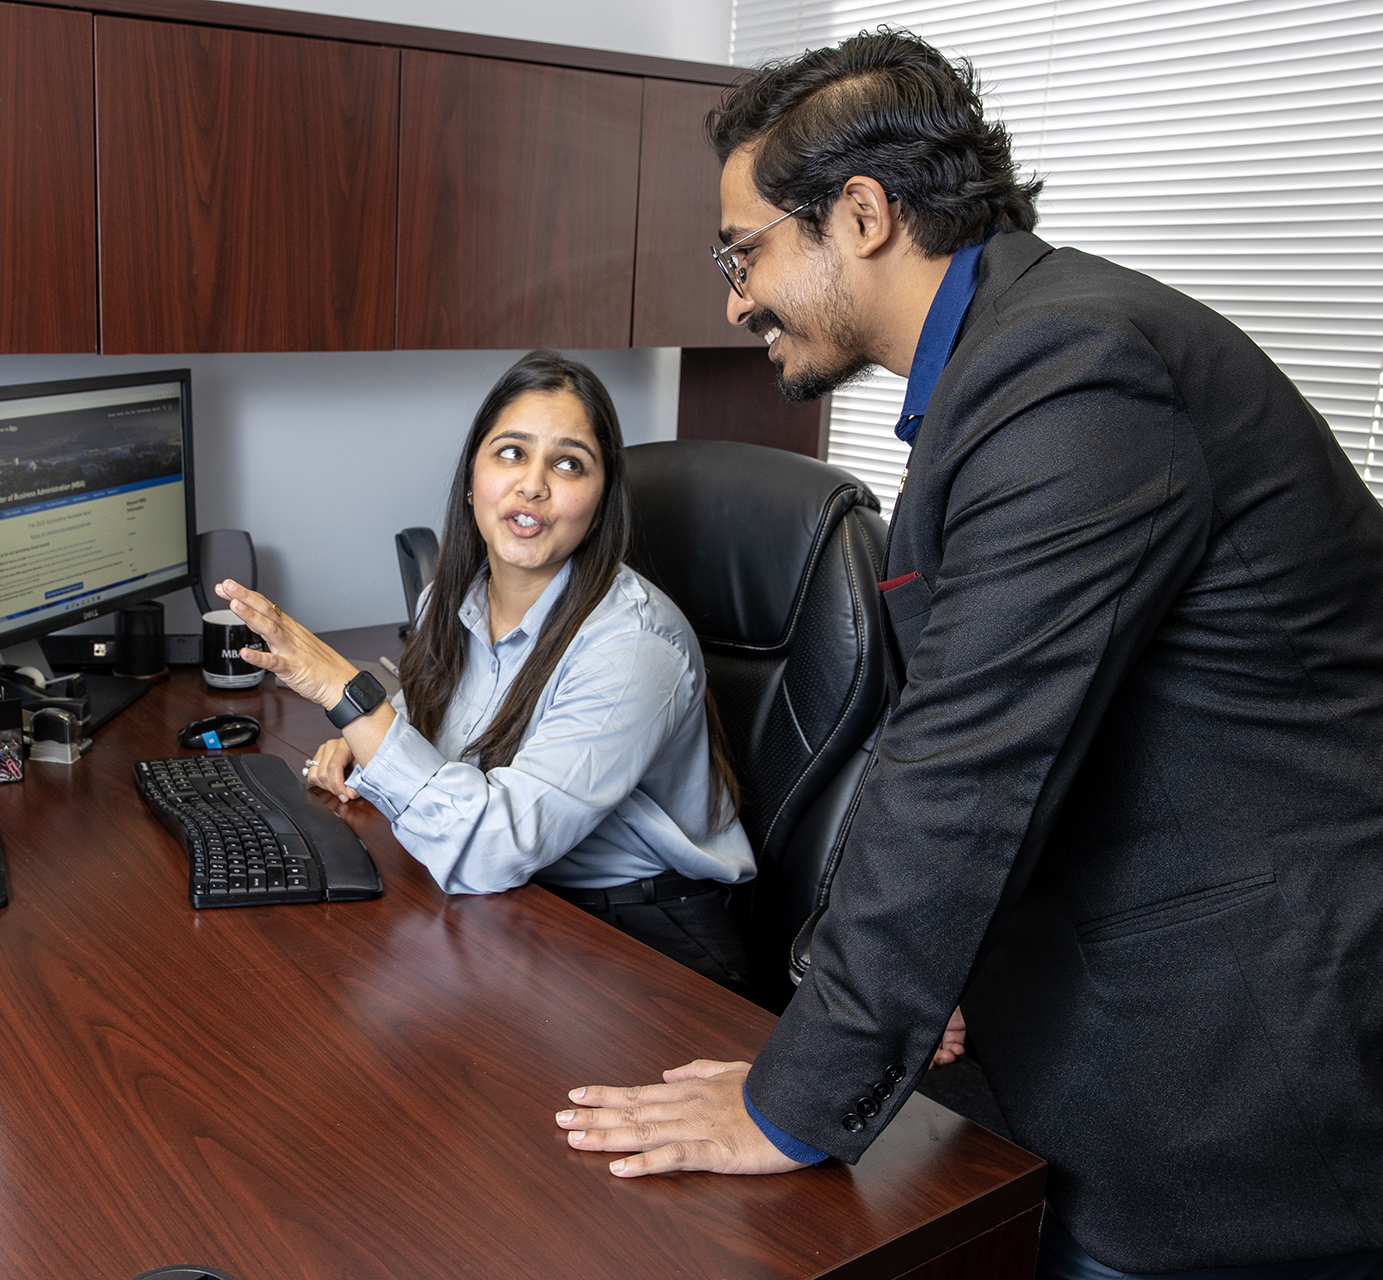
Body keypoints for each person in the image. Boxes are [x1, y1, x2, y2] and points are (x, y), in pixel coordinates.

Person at [552, 30, 1383, 1280]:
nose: (733, 298)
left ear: (866, 214)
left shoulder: (1070, 367)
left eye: (745, 250)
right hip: (1097, 1009)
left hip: (1232, 1061)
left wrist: (792, 1095)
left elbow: (968, 765)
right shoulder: (1003, 367)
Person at [212, 350, 757, 992]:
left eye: (568, 463)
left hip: (645, 937)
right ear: (473, 479)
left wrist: (346, 695)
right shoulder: (451, 599)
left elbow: (494, 845)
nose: (533, 484)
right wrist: (368, 745)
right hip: (523, 902)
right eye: (511, 453)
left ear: (601, 499)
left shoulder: (633, 646)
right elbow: (432, 734)